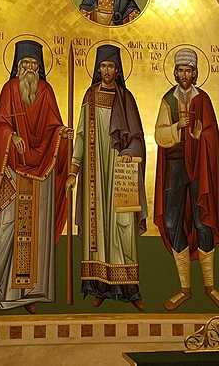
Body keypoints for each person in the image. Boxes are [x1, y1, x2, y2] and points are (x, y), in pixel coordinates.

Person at [0, 40, 72, 315]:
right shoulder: (9, 90)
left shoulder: (46, 91)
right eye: (25, 64)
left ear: (40, 69)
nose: (29, 69)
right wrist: (11, 136)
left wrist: (62, 135)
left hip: (39, 175)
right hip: (12, 171)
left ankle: (29, 293)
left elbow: (54, 126)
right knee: (7, 229)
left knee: (35, 233)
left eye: (34, 65)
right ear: (17, 67)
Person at [66, 44, 147, 310]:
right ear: (97, 69)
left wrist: (130, 151)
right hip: (94, 174)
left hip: (121, 171)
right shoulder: (90, 96)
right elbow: (80, 134)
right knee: (97, 227)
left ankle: (130, 290)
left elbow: (138, 138)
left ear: (118, 69)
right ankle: (99, 285)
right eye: (103, 66)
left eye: (111, 66)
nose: (107, 70)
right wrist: (74, 170)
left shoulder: (127, 98)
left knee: (123, 227)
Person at [153, 47, 219, 312]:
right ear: (175, 73)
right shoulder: (169, 100)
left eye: (189, 70)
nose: (185, 74)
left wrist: (199, 136)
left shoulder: (203, 99)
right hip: (175, 166)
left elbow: (212, 134)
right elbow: (159, 135)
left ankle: (210, 286)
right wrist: (178, 128)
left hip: (199, 167)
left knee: (203, 218)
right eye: (181, 70)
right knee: (173, 219)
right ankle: (185, 287)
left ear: (195, 73)